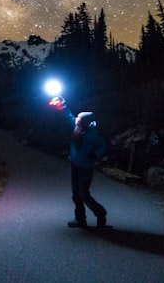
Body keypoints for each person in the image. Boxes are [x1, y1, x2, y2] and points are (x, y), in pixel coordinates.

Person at [49, 95, 108, 228]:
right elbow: (68, 116)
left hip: (85, 167)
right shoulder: (78, 129)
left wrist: (95, 155)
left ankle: (101, 214)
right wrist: (62, 105)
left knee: (83, 194)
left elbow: (103, 145)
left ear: (83, 123)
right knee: (76, 194)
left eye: (79, 119)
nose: (76, 120)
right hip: (75, 164)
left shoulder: (92, 135)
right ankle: (80, 219)